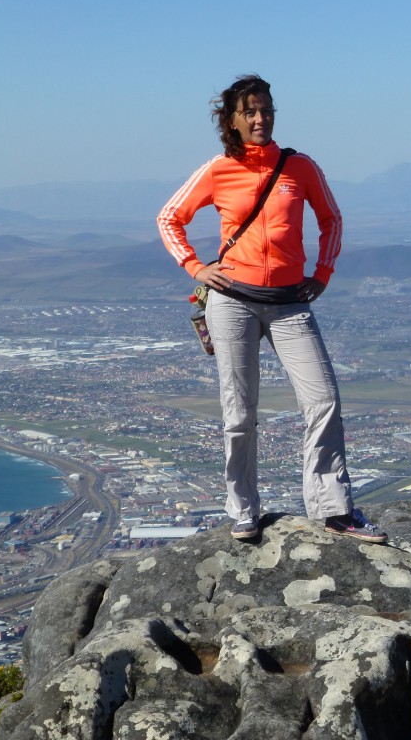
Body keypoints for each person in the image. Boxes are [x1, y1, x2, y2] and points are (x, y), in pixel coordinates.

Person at [157, 74, 386, 543]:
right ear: (233, 121)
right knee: (239, 411)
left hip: (288, 303)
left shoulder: (299, 167)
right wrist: (196, 267)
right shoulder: (218, 169)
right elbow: (169, 217)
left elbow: (331, 219)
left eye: (267, 110)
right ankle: (243, 510)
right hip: (232, 301)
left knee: (323, 400)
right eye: (251, 112)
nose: (261, 118)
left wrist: (322, 273)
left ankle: (332, 508)